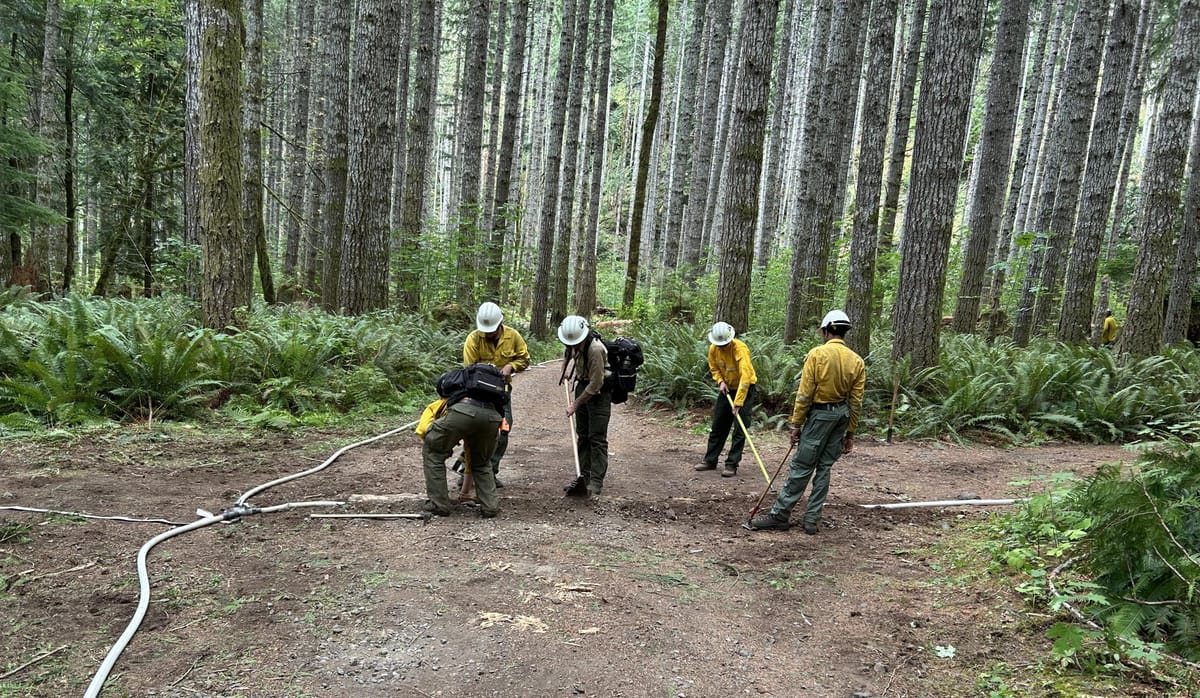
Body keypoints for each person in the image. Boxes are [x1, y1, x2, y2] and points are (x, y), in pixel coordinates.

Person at [749, 310, 865, 535]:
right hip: (841, 416)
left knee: (802, 466)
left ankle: (780, 515)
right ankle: (812, 519)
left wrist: (796, 424)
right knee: (824, 467)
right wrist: (850, 433)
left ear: (827, 330)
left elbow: (804, 393)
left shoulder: (817, 355)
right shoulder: (857, 361)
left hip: (820, 417)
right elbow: (856, 401)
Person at [421, 364, 507, 518]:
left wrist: (443, 447)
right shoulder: (490, 393)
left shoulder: (447, 400)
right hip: (493, 418)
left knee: (434, 454)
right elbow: (470, 452)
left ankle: (439, 504)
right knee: (482, 462)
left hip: (462, 412)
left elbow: (424, 431)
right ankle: (490, 507)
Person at [459, 302, 530, 488]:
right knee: (476, 431)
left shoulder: (513, 336)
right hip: (478, 395)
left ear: (500, 323)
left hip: (502, 394)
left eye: (492, 330)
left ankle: (490, 472)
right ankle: (467, 472)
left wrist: (511, 366)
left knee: (503, 430)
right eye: (486, 331)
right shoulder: (473, 339)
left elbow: (524, 358)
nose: (488, 334)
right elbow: (470, 369)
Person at [696, 321, 758, 478]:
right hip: (727, 389)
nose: (722, 347)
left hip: (745, 389)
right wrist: (720, 381)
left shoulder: (740, 349)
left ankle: (731, 464)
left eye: (724, 345)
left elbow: (745, 377)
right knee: (718, 425)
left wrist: (738, 403)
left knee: (740, 428)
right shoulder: (713, 349)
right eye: (719, 345)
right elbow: (714, 368)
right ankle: (710, 460)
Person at [558, 315, 611, 497]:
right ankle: (583, 476)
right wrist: (565, 368)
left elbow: (596, 384)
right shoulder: (573, 341)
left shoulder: (595, 349)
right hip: (582, 385)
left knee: (596, 437)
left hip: (598, 393)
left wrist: (575, 404)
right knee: (583, 435)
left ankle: (596, 481)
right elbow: (568, 351)